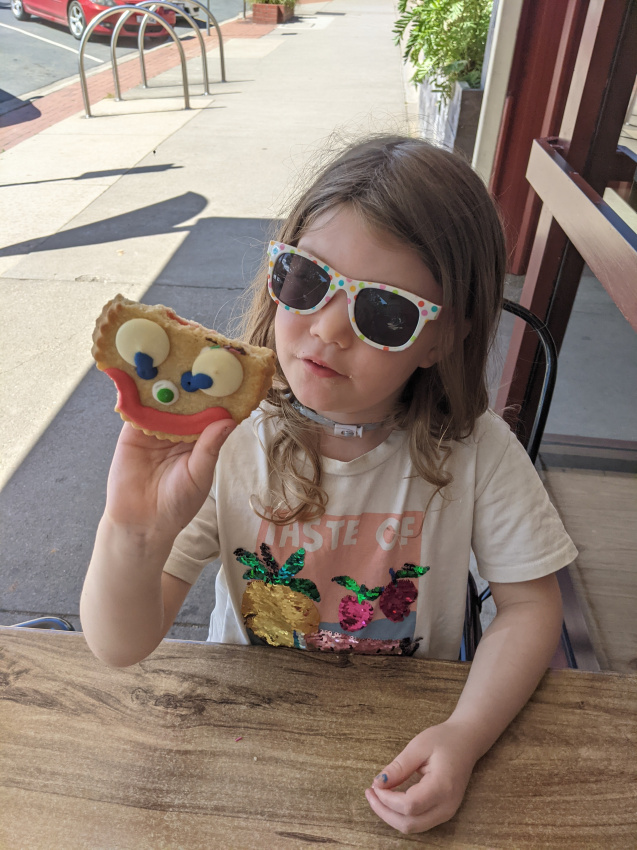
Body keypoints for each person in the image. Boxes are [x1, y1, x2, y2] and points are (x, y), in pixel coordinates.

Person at [81, 134, 577, 834]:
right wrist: (132, 533)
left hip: (400, 733)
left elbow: (529, 608)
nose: (328, 328)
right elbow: (119, 645)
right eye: (307, 280)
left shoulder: (477, 451)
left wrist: (465, 732)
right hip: (243, 736)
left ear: (440, 339)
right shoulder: (225, 440)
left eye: (385, 314)